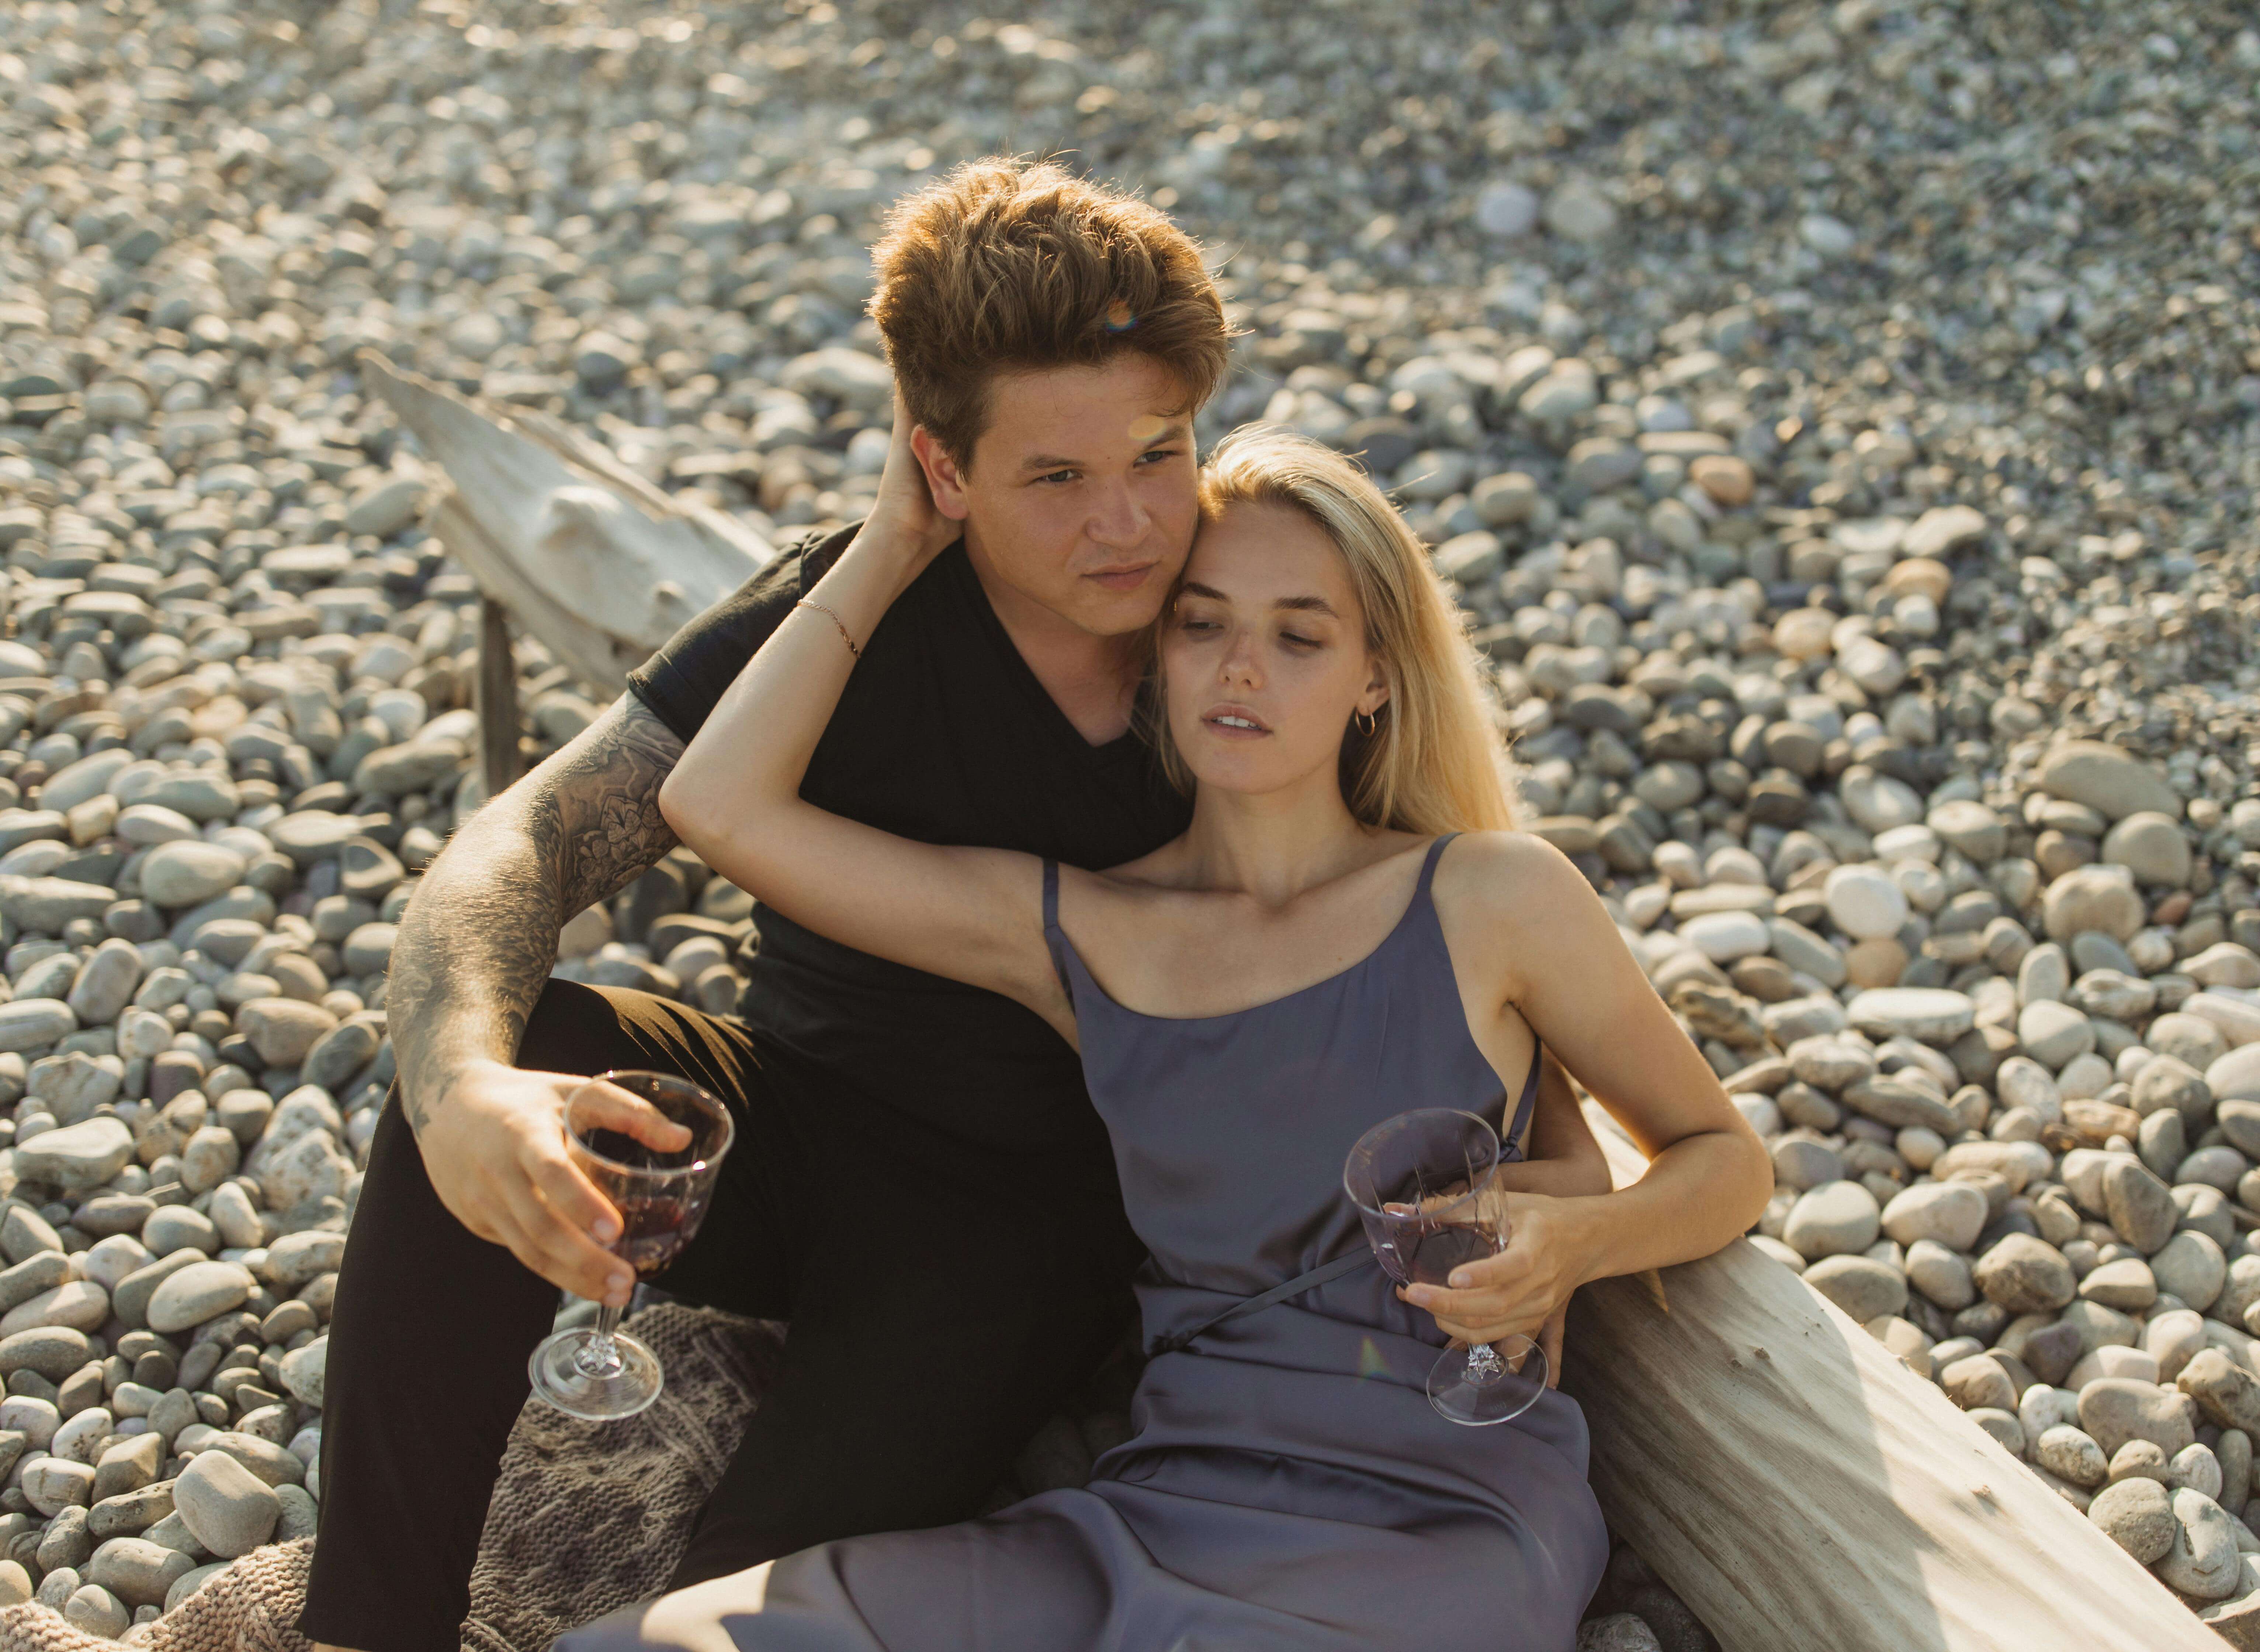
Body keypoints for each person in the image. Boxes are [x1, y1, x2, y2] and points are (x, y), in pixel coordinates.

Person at [298, 157, 1612, 1652]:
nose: (1127, 526)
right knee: (521, 1036)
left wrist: (1559, 1179)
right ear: (940, 466)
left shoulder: (1241, 663)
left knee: (716, 1610)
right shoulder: (846, 617)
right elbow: (529, 838)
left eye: (1157, 453)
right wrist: (465, 1081)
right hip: (791, 1123)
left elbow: (1433, 911)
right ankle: (362, 1631)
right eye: (1055, 478)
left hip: (1031, 1236)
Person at [554, 413, 1774, 1650]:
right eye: (1203, 624)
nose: (1242, 668)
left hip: (1442, 1521)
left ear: (1377, 677)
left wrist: (1584, 1238)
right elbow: (716, 802)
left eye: (1300, 636)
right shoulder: (1089, 931)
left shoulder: (1495, 899)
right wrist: (894, 534)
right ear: (1159, 654)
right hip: (1160, 1506)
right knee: (644, 1645)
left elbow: (1726, 1160)